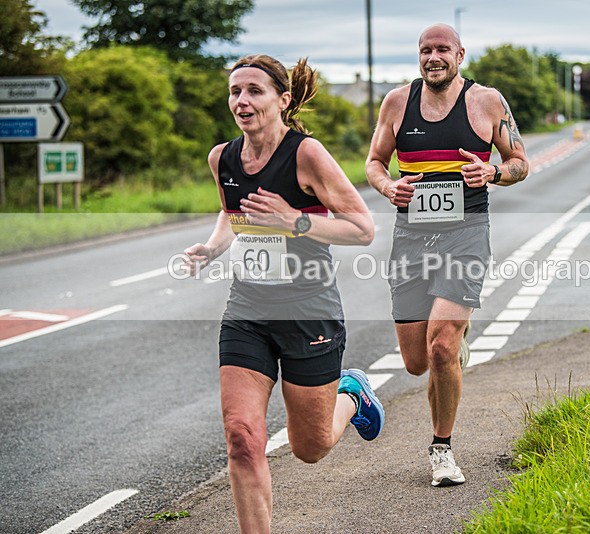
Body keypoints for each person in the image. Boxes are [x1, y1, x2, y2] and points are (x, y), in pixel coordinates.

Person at [182, 54, 384, 533]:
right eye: (235, 91)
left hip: (308, 312)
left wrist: (293, 219)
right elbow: (234, 213)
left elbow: (362, 228)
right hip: (247, 312)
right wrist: (213, 249)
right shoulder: (222, 158)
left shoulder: (306, 154)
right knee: (242, 438)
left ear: (283, 99)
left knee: (309, 448)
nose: (242, 100)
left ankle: (351, 394)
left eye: (255, 90)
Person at [365, 24, 529, 487]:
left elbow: (520, 162)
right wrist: (387, 185)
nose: (433, 57)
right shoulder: (397, 102)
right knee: (417, 361)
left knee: (441, 347)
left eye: (442, 50)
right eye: (425, 50)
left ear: (460, 54)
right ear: (418, 57)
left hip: (467, 235)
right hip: (411, 239)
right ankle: (451, 347)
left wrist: (492, 172)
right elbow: (375, 161)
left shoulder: (487, 102)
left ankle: (442, 450)